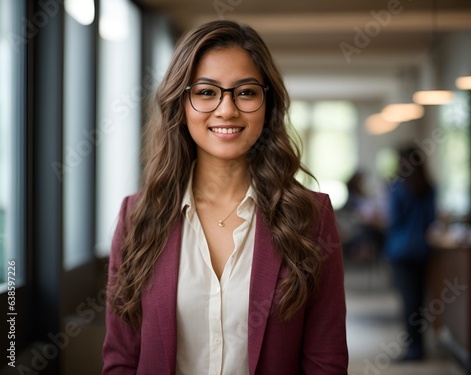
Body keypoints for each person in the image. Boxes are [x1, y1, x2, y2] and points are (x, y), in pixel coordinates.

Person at [102, 20, 348, 374]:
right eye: (206, 92)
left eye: (245, 92)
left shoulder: (310, 216)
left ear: (268, 103)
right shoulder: (138, 216)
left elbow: (326, 360)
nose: (227, 109)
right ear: (181, 104)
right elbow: (121, 359)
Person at [384, 145, 436, 361]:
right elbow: (431, 219)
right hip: (422, 250)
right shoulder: (429, 188)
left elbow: (393, 219)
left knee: (408, 302)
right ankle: (420, 346)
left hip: (401, 251)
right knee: (419, 301)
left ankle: (412, 349)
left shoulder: (397, 187)